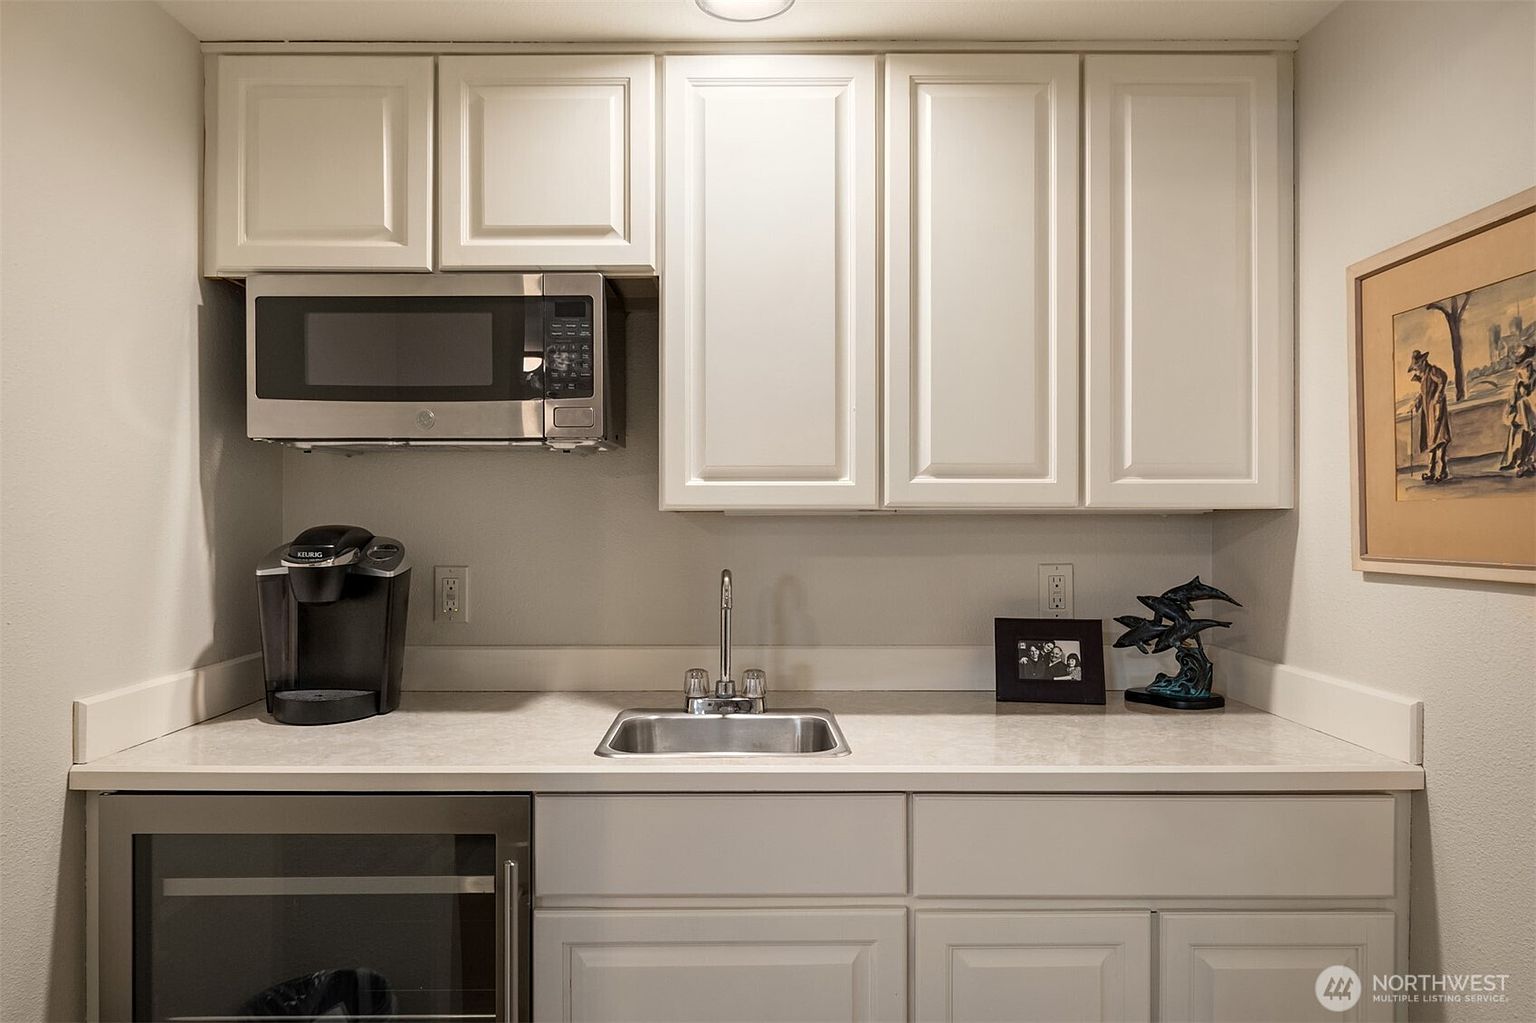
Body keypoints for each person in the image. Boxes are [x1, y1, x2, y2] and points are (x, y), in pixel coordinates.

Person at [1408, 349, 1452, 484]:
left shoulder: (1432, 371)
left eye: (1417, 367)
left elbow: (1443, 379)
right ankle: (1431, 470)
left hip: (1436, 410)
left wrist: (1439, 395)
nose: (1416, 370)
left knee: (1439, 440)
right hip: (1428, 413)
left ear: (1422, 362)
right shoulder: (1424, 376)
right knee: (1431, 441)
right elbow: (1423, 393)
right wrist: (1417, 402)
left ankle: (1442, 470)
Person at [1498, 343, 1536, 478]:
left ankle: (1525, 462)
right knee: (1520, 431)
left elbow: (1529, 385)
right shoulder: (1522, 368)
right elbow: (1518, 386)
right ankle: (1517, 461)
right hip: (1523, 403)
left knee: (1530, 432)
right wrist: (1513, 402)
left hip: (1530, 402)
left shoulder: (1529, 366)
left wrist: (1523, 389)